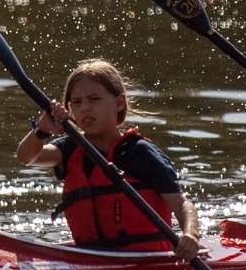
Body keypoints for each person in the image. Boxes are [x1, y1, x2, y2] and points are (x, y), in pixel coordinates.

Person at [16, 59, 200, 258]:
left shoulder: (140, 152)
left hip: (147, 259)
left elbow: (181, 204)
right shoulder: (70, 149)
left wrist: (191, 235)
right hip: (92, 258)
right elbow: (26, 157)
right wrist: (41, 131)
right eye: (76, 102)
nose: (85, 108)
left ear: (119, 103)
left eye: (94, 99)